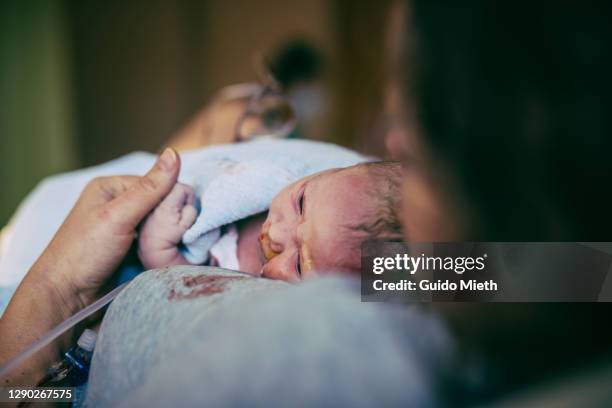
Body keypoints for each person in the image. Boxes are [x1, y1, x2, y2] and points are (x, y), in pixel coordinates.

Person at [138, 161, 403, 282]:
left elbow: (183, 284)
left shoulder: (244, 287)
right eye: (300, 202)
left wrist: (156, 248)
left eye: (300, 264)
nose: (275, 234)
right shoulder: (327, 174)